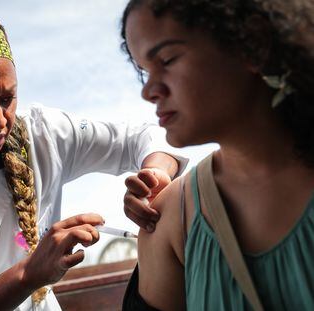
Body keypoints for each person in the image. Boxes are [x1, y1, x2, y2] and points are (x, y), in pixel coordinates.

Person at [0, 9, 187, 311]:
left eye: (7, 99)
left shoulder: (43, 134)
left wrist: (154, 174)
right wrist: (29, 274)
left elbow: (144, 138)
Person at [120, 0, 314, 310]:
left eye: (167, 59)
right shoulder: (169, 219)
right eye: (144, 72)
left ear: (252, 44)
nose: (149, 90)